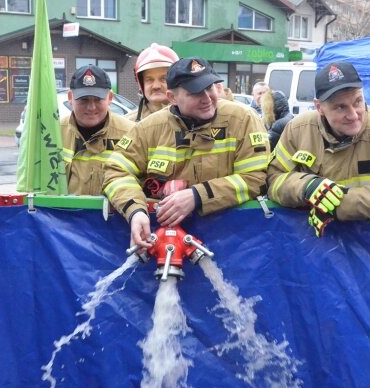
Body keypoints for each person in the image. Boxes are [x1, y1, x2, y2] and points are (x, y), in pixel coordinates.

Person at [103, 57, 270, 249]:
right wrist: (135, 210)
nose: (207, 98)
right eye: (195, 93)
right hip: (162, 246)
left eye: (210, 88)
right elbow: (115, 171)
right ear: (172, 97)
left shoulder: (243, 119)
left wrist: (197, 196)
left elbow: (256, 178)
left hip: (230, 244)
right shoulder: (149, 128)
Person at [266, 61, 370, 237]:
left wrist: (338, 205)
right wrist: (305, 186)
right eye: (340, 107)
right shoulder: (297, 130)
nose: (353, 115)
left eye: (358, 101)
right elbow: (273, 180)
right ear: (319, 107)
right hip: (310, 248)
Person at [62, 65, 134, 195]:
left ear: (110, 98)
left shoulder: (132, 134)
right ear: (70, 98)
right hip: (60, 215)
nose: (91, 107)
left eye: (98, 99)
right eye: (83, 99)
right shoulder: (53, 133)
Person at [128, 43, 179, 122]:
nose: (156, 86)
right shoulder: (127, 125)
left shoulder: (195, 122)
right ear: (141, 84)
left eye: (164, 78)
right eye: (149, 80)